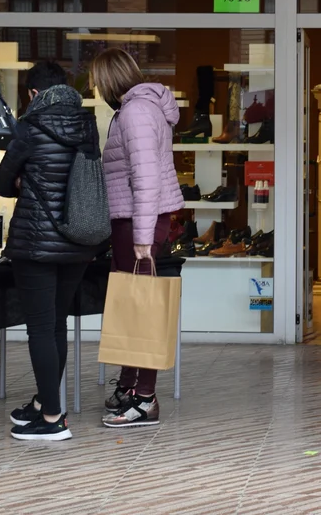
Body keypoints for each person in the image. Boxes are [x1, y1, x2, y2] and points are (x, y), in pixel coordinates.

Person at [0, 60, 100, 441]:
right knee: (56, 324)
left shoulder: (29, 125)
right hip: (77, 240)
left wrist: (22, 181)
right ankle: (44, 402)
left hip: (37, 243)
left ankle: (53, 418)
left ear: (33, 93)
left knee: (40, 327)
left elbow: (2, 182)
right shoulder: (87, 125)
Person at [91, 48, 185, 428]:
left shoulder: (136, 112)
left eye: (97, 81)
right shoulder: (136, 109)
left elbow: (146, 179)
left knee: (141, 308)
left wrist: (143, 237)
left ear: (108, 80)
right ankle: (130, 386)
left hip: (137, 222)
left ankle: (145, 398)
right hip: (130, 220)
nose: (96, 89)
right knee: (131, 305)